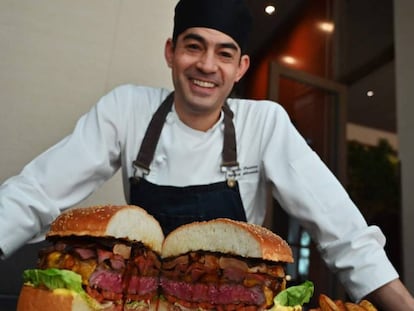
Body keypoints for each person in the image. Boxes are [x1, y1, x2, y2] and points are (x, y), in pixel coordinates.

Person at [0, 0, 413, 309]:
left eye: (224, 53)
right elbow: (36, 192)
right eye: (193, 46)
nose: (206, 65)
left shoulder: (264, 122)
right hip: (136, 300)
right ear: (170, 52)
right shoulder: (126, 108)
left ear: (241, 67)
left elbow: (342, 233)